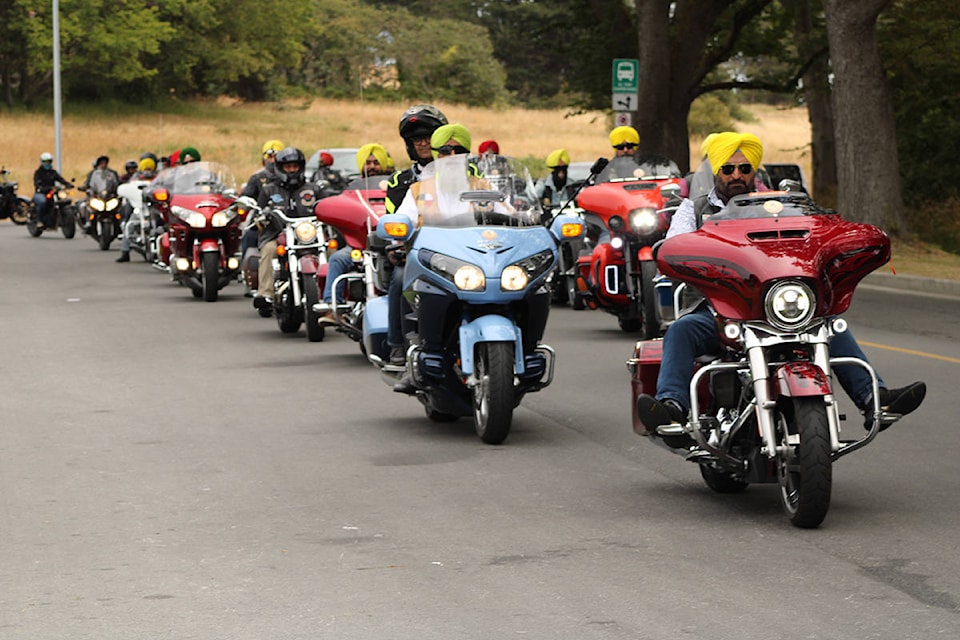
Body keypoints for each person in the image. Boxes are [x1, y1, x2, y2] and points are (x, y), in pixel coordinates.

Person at [634, 131, 926, 448]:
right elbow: (674, 247)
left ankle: (874, 400)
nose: (736, 175)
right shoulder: (694, 209)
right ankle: (674, 410)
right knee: (681, 330)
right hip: (721, 312)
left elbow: (820, 230)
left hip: (781, 305)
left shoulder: (782, 205)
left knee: (830, 326)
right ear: (716, 171)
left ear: (754, 172)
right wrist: (684, 258)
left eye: (744, 169)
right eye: (728, 169)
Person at [382, 104, 449, 364]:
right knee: (399, 278)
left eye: (428, 137)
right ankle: (397, 343)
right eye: (416, 139)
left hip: (463, 250)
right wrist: (394, 245)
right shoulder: (399, 182)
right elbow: (392, 223)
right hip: (418, 255)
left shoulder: (470, 174)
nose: (422, 143)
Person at [252, 147, 326, 312]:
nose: (292, 170)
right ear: (280, 168)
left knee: (331, 250)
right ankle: (265, 293)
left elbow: (327, 206)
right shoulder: (268, 190)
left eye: (295, 166)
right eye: (288, 167)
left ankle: (333, 295)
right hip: (277, 234)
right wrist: (261, 217)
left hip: (310, 235)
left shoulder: (313, 189)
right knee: (269, 250)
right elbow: (258, 212)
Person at [597, 126, 681, 182]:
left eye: (629, 146)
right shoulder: (607, 169)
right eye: (620, 147)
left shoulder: (646, 166)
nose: (625, 150)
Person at [32, 152, 73, 229]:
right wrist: (42, 187)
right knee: (42, 202)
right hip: (41, 193)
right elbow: (37, 183)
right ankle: (39, 220)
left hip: (52, 192)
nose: (47, 163)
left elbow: (60, 179)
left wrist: (67, 184)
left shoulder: (53, 172)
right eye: (45, 162)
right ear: (42, 162)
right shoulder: (38, 172)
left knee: (63, 200)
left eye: (48, 161)